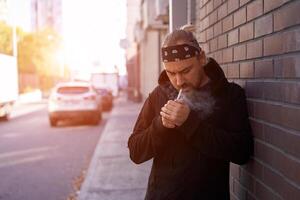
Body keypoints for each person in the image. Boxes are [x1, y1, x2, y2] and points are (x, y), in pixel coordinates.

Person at [127, 27, 253, 200]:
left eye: (186, 71)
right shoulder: (159, 95)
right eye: (171, 73)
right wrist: (160, 125)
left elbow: (241, 152)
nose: (178, 81)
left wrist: (189, 123)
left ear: (201, 58)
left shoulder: (230, 95)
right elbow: (135, 151)